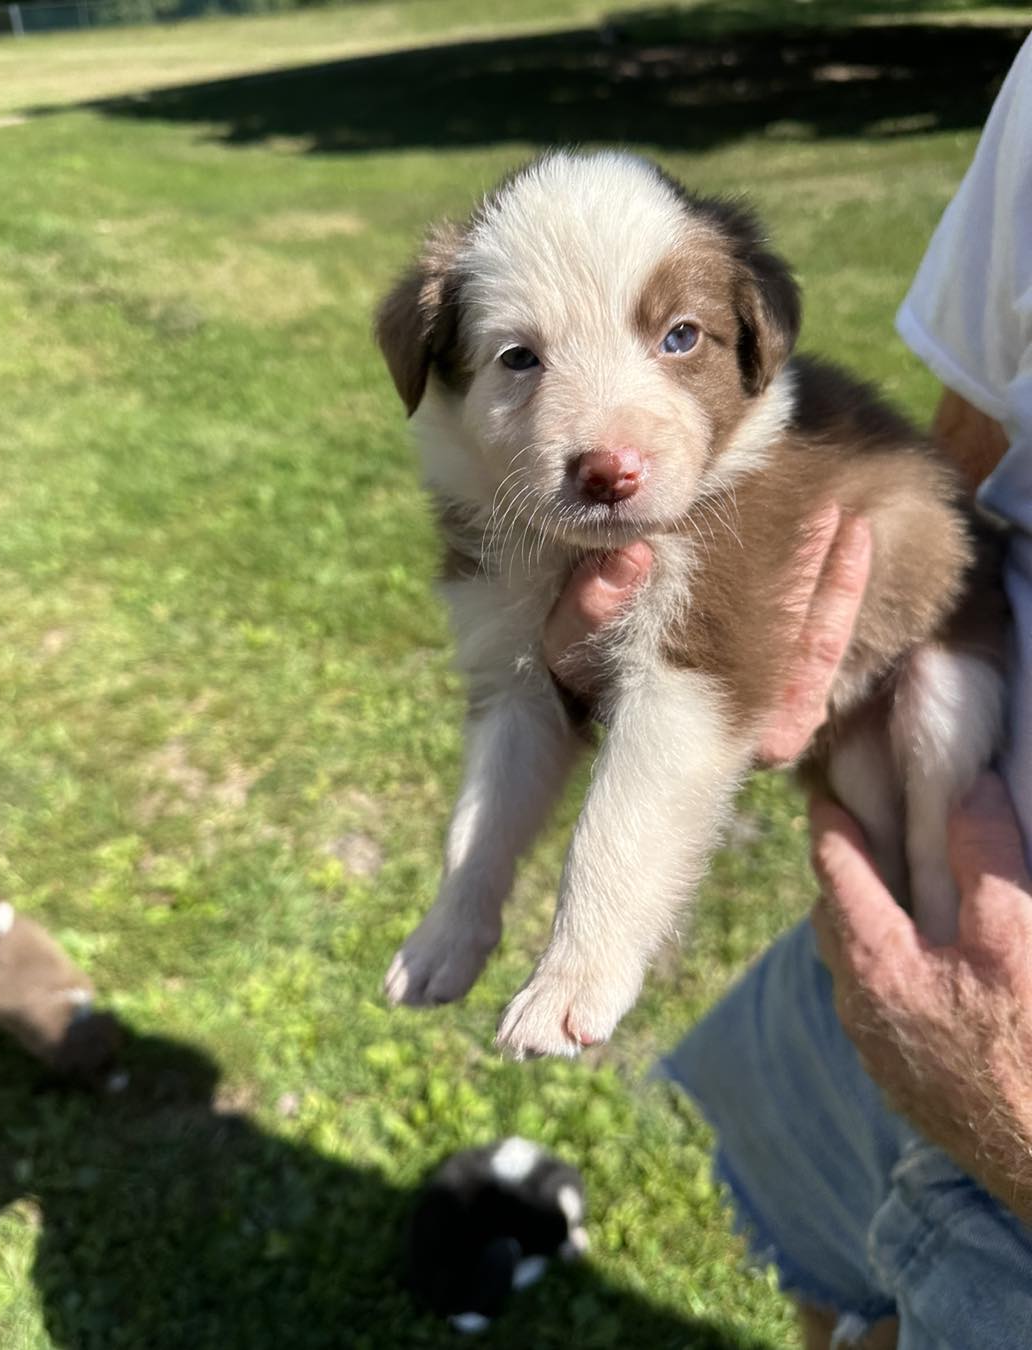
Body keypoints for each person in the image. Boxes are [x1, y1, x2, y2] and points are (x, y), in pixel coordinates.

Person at [542, 35, 1032, 1350]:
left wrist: (1014, 1104)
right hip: (904, 894)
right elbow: (972, 444)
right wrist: (809, 621)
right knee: (827, 1267)